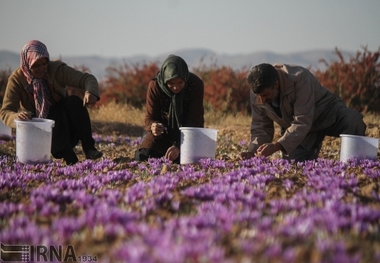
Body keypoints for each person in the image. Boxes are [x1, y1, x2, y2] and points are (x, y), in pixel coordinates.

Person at [0, 40, 102, 165]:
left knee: (74, 102)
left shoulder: (56, 70)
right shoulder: (17, 79)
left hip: (65, 120)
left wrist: (90, 92)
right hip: (39, 127)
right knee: (50, 124)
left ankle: (89, 148)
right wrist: (17, 117)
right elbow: (5, 111)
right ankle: (70, 159)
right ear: (27, 65)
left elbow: (87, 79)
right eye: (36, 66)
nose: (42, 68)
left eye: (44, 63)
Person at [241, 63, 366, 162]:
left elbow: (302, 120)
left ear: (276, 84)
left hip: (327, 114)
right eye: (259, 96)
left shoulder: (300, 78)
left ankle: (358, 163)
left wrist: (277, 146)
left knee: (353, 121)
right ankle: (312, 152)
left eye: (265, 95)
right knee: (294, 163)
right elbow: (260, 127)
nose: (262, 100)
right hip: (300, 132)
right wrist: (252, 151)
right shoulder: (257, 92)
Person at [135, 54, 204, 163]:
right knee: (143, 156)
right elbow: (150, 118)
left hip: (189, 133)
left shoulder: (195, 85)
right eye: (171, 83)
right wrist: (154, 127)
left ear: (185, 78)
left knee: (188, 161)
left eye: (180, 82)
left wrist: (179, 145)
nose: (176, 87)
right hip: (163, 134)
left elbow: (194, 121)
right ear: (165, 80)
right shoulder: (155, 86)